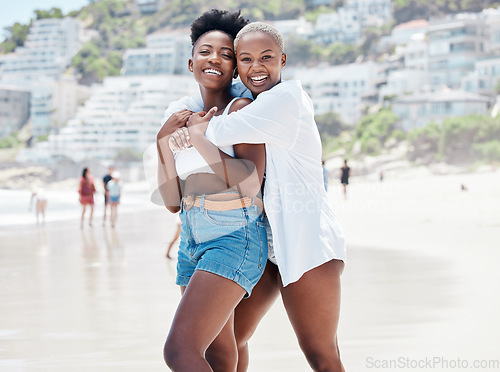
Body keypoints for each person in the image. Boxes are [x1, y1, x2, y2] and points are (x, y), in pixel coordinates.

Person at [171, 22, 346, 371]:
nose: (257, 67)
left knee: (322, 356)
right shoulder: (252, 103)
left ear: (283, 59)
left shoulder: (286, 99)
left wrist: (188, 126)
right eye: (246, 59)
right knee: (227, 344)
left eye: (266, 57)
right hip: (266, 244)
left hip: (306, 243)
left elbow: (218, 128)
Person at [155, 10, 268, 371]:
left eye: (225, 54)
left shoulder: (242, 110)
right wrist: (162, 142)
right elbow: (173, 202)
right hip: (192, 243)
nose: (214, 59)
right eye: (206, 51)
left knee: (180, 352)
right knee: (219, 355)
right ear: (191, 63)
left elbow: (252, 183)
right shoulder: (180, 118)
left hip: (235, 238)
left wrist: (203, 141)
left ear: (235, 67)